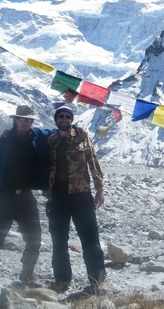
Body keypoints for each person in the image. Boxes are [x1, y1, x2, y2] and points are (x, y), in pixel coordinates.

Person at [0, 104, 52, 285]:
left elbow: (55, 131)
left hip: (26, 196)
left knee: (34, 239)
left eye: (28, 120)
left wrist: (74, 128)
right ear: (15, 120)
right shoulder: (3, 140)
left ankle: (26, 275)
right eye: (21, 119)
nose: (25, 123)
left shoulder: (37, 137)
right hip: (3, 196)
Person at [45, 106, 106, 294]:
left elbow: (93, 161)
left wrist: (100, 188)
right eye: (61, 116)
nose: (64, 119)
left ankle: (98, 281)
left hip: (81, 194)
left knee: (90, 239)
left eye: (67, 116)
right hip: (57, 195)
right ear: (56, 119)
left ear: (72, 120)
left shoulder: (82, 137)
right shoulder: (51, 140)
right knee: (59, 241)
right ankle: (62, 280)